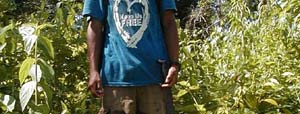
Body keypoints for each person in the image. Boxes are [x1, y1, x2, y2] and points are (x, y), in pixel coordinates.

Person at [83, 0, 180, 113]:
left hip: (155, 76)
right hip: (116, 76)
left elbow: (169, 21)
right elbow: (95, 25)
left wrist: (174, 64)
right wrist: (93, 71)